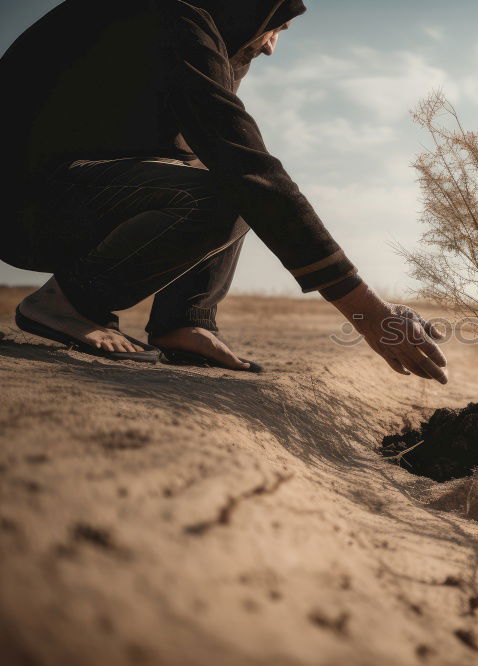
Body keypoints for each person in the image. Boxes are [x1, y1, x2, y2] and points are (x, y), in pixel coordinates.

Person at [0, 0, 447, 383]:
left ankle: (184, 320)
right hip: (25, 206)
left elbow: (215, 155)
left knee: (226, 173)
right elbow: (246, 170)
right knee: (240, 186)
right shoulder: (173, 18)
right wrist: (367, 310)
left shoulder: (182, 28)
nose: (271, 45)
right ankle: (71, 301)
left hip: (62, 192)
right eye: (277, 25)